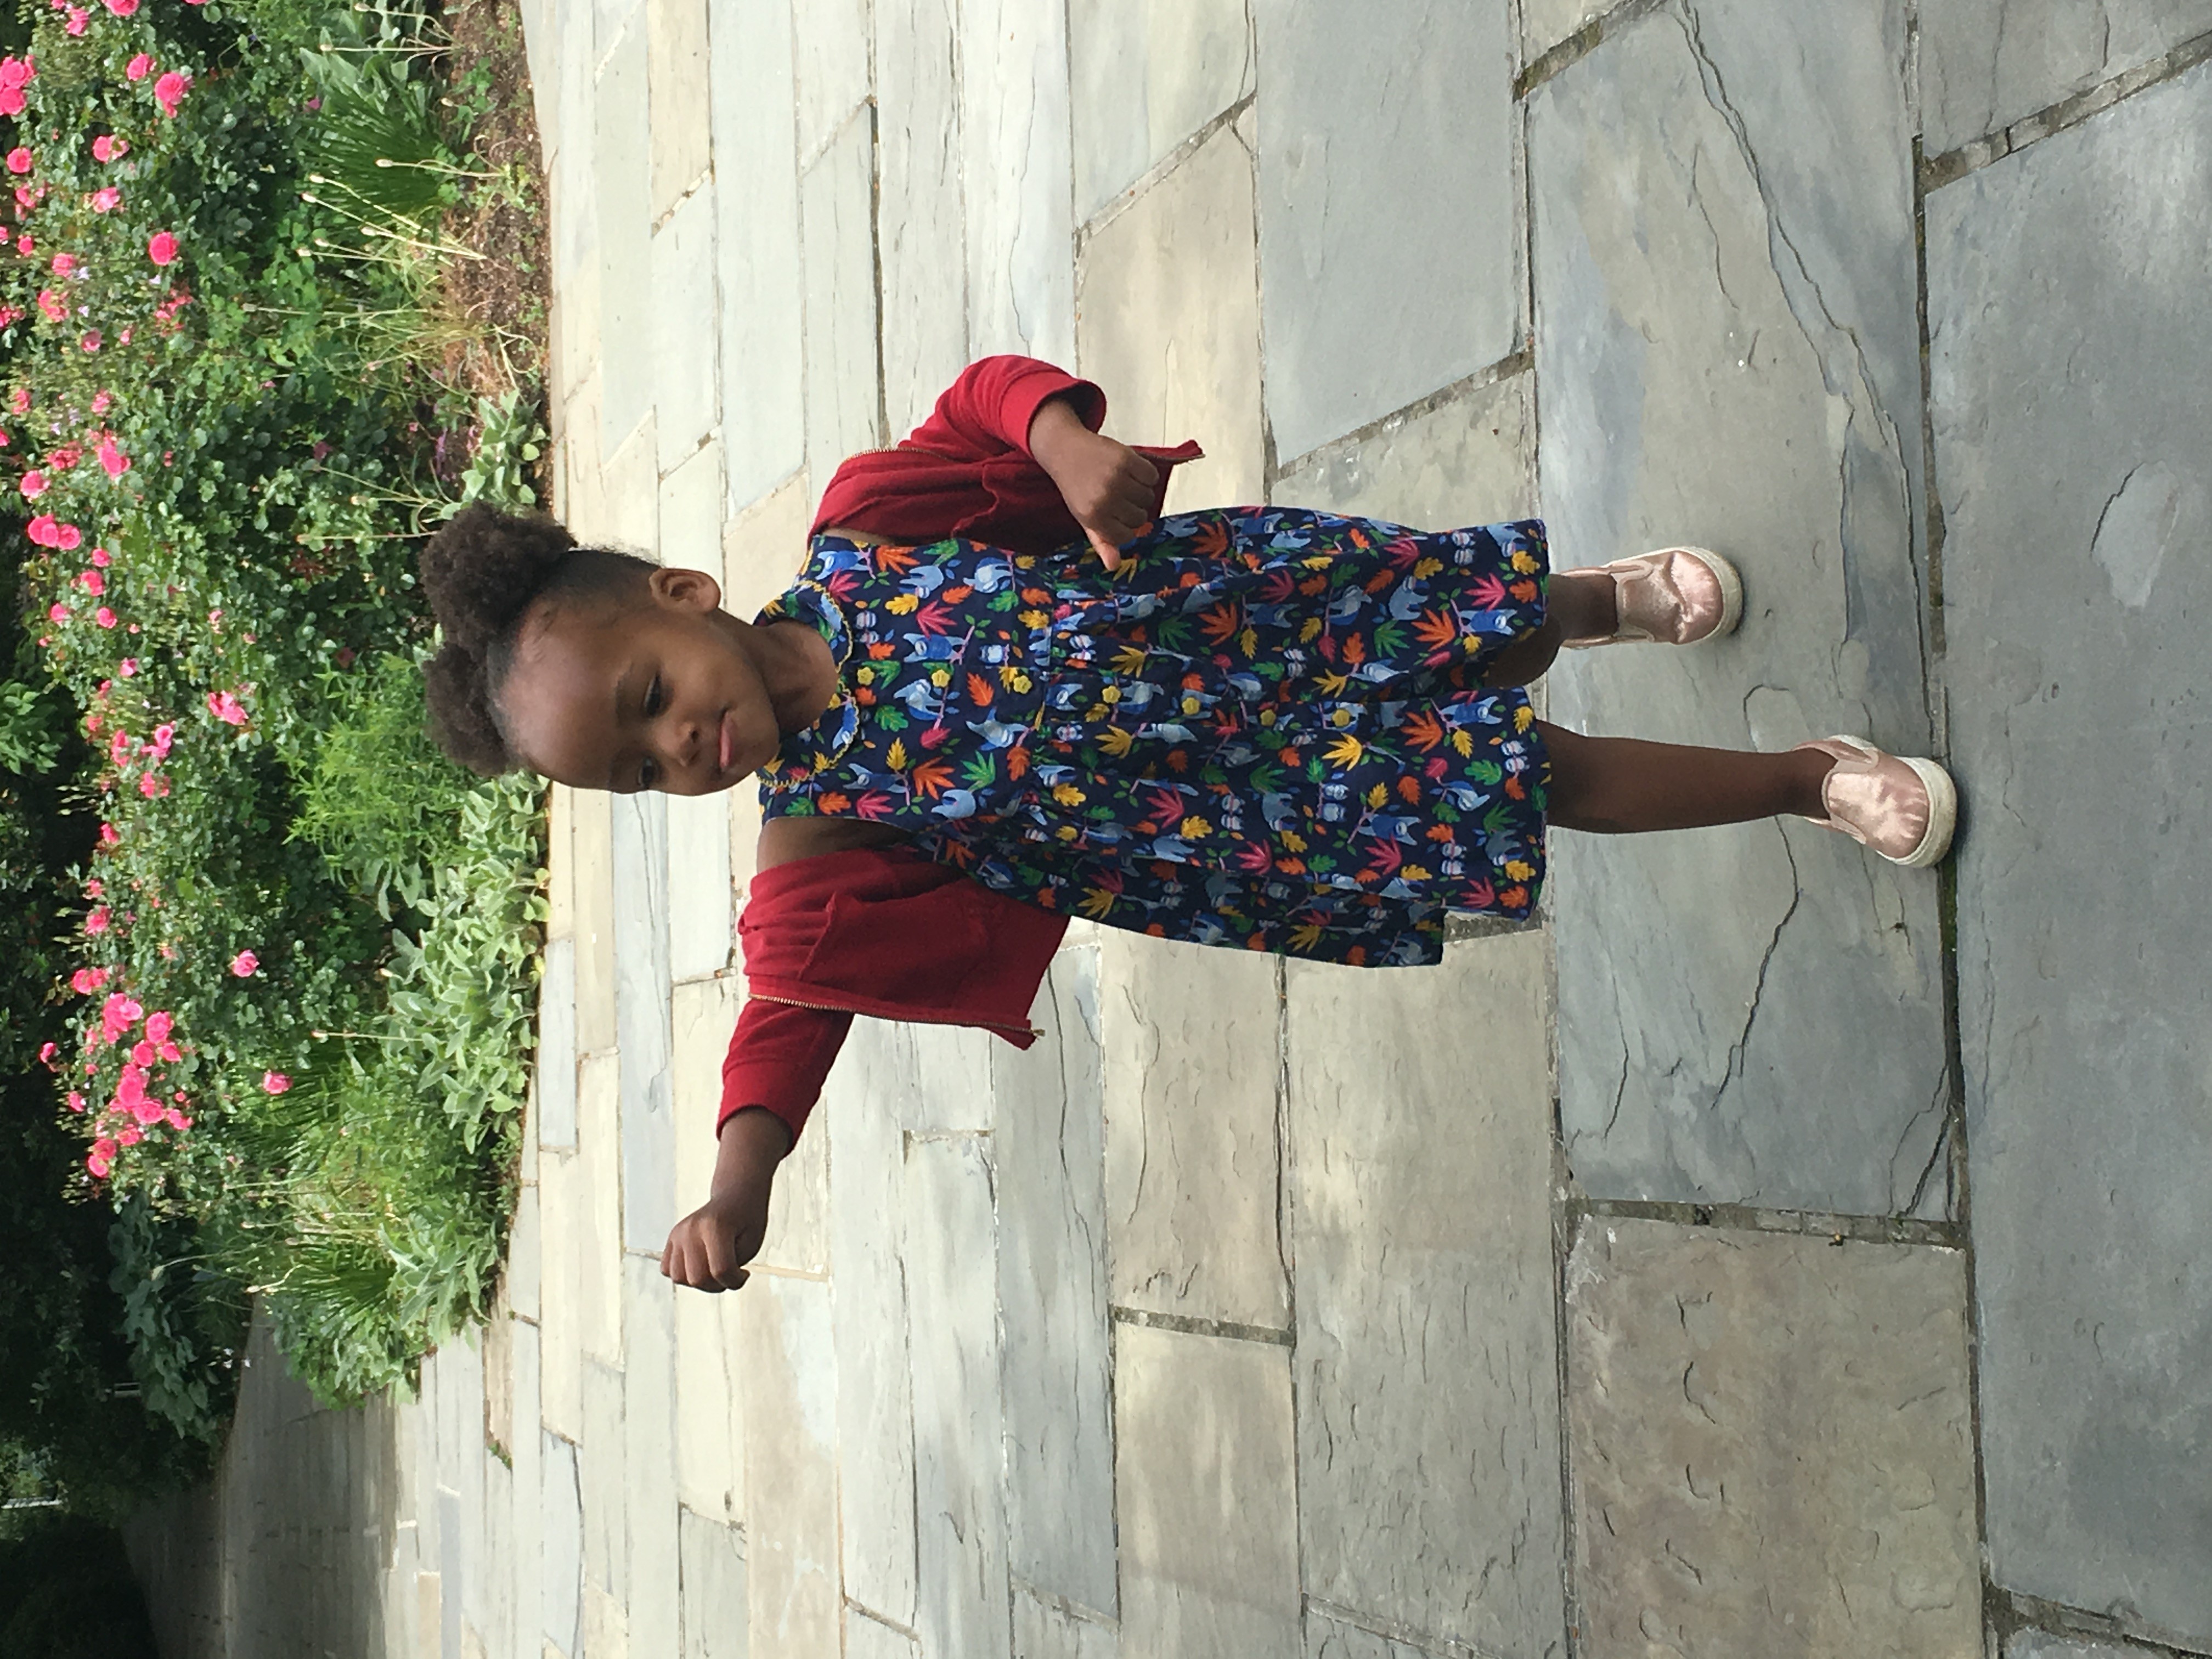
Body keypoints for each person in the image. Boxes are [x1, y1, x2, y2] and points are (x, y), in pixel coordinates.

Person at [417, 356, 1955, 1293]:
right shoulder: (825, 835)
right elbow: (791, 1010)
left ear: (682, 599)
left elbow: (984, 404)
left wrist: (1067, 447)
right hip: (1266, 812)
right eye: (639, 774)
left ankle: (1606, 600)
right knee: (1539, 780)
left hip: (1258, 614)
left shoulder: (870, 530)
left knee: (1479, 620)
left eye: (645, 698)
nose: (675, 747)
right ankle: (1807, 778)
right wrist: (740, 1187)